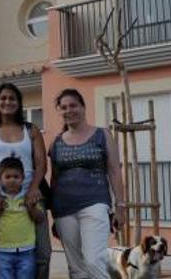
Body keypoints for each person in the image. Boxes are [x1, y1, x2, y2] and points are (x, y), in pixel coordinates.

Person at [49, 89, 125, 279]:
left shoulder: (102, 134)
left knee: (94, 260)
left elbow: (115, 170)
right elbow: (54, 179)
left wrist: (121, 206)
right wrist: (53, 214)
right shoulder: (56, 142)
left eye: (73, 105)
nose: (69, 110)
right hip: (64, 209)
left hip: (95, 203)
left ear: (83, 107)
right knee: (76, 268)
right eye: (63, 107)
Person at [0, 83, 50, 279]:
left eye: (12, 98)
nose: (7, 102)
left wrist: (34, 188)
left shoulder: (31, 130)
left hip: (30, 196)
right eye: (3, 98)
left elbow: (41, 163)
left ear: (19, 102)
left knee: (42, 254)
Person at [0, 157, 45, 279]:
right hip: (3, 251)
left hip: (26, 250)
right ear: (0, 179)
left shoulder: (28, 197)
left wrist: (32, 208)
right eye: (8, 177)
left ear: (22, 178)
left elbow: (40, 217)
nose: (12, 180)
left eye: (16, 177)